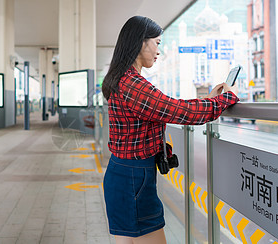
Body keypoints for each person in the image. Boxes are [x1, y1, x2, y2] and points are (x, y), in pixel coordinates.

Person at [101, 16, 239, 244]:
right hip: (134, 179)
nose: (158, 51)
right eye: (157, 43)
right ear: (140, 42)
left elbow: (166, 106)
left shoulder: (123, 80)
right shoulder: (133, 84)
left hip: (123, 174)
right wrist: (226, 99)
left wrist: (210, 100)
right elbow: (178, 111)